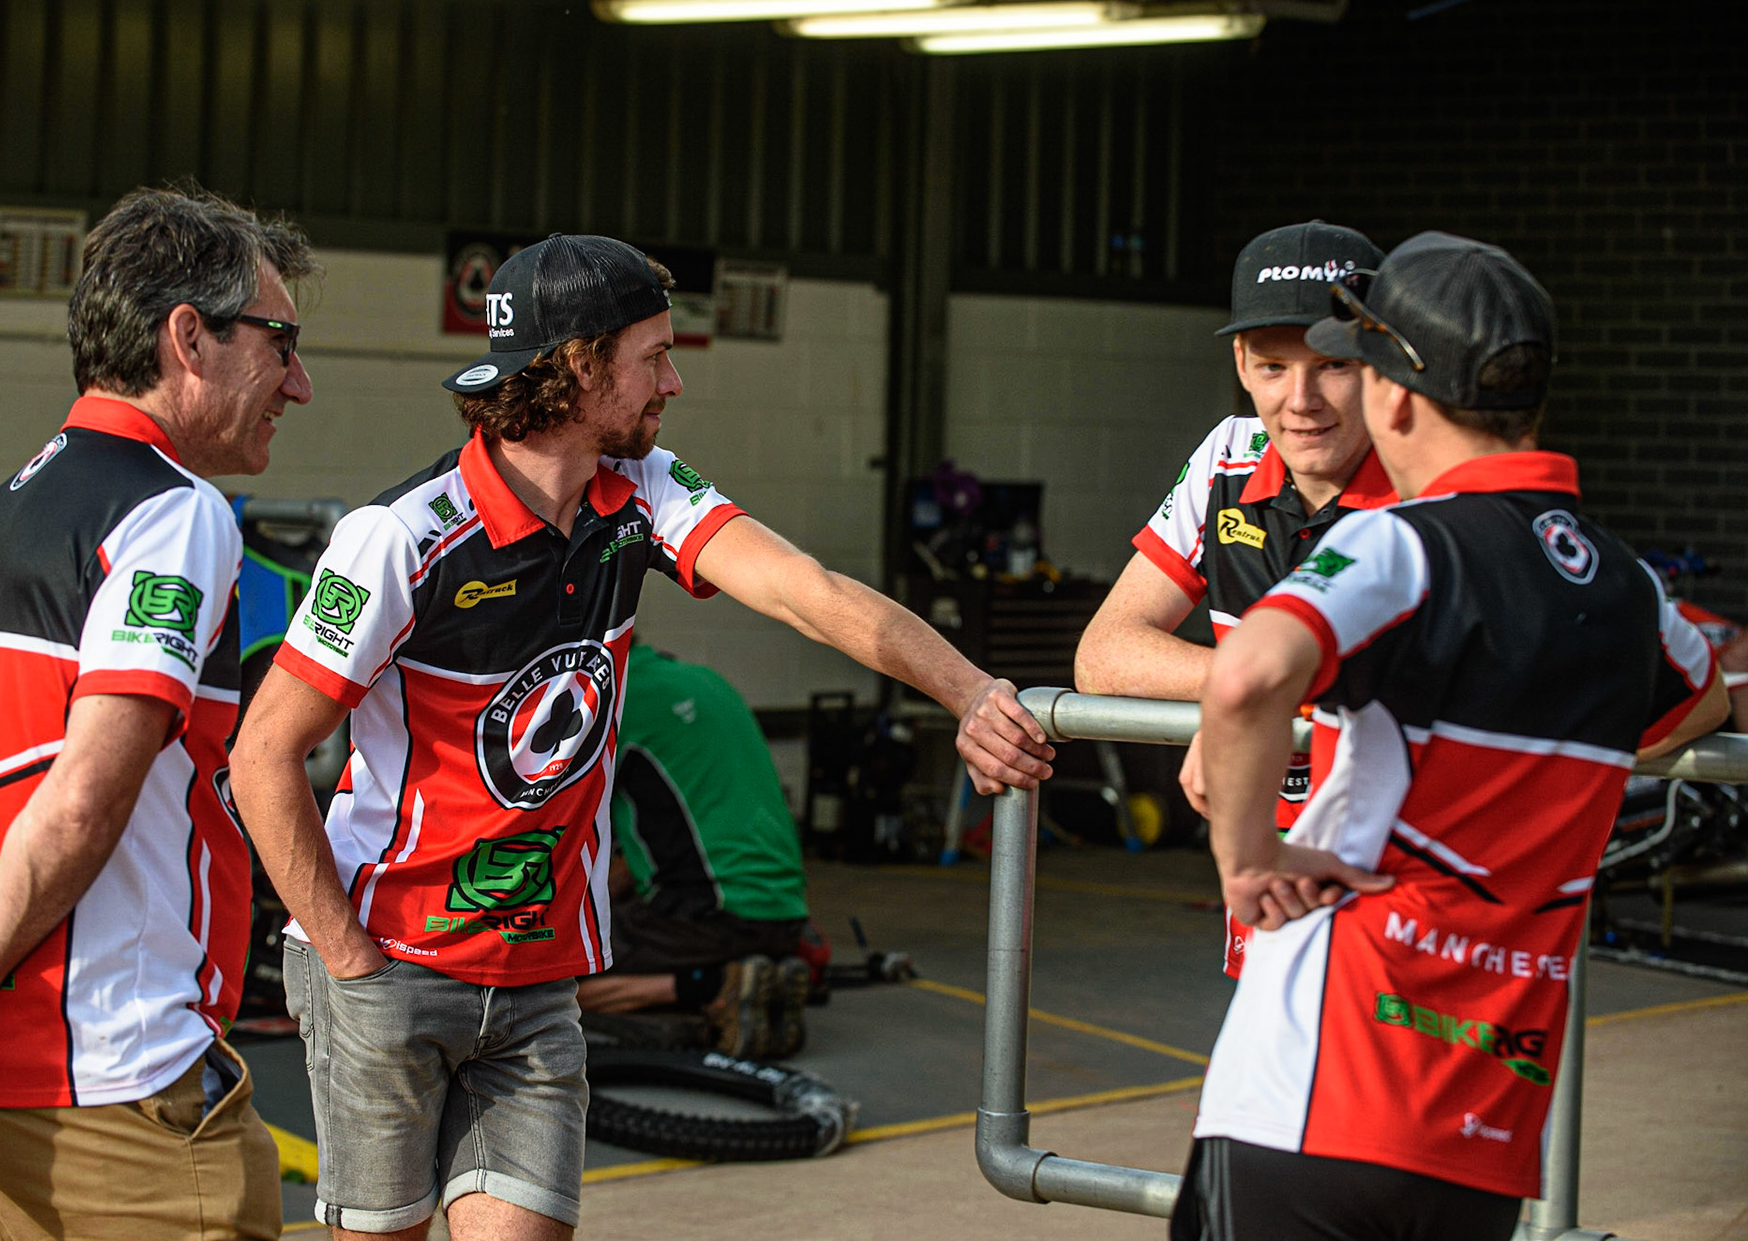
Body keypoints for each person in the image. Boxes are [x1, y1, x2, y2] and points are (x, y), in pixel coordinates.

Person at [229, 233, 1053, 1241]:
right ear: (578, 365)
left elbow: (807, 591)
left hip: (536, 978)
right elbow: (262, 752)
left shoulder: (643, 489)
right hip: (391, 965)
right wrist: (352, 963)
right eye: (654, 356)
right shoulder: (402, 536)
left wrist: (969, 691)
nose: (673, 381)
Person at [1173, 231, 1730, 1240]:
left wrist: (1247, 857)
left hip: (1314, 1080)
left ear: (1392, 397)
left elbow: (1248, 673)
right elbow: (1698, 705)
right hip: (1488, 1115)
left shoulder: (1396, 543)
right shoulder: (1626, 584)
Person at [0, 185, 319, 1239]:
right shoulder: (173, 510)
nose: (301, 382)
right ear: (188, 337)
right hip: (109, 1076)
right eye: (280, 342)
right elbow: (82, 800)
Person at [1073, 219, 1394, 976]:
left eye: (1333, 365)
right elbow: (1105, 654)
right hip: (1267, 869)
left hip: (1403, 874)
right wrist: (1243, 695)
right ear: (1242, 362)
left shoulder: (1432, 483)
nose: (1302, 400)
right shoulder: (1230, 454)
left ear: (1381, 360)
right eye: (1275, 366)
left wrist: (1254, 700)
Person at [574, 640, 812, 1060]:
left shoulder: (605, 700)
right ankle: (753, 979)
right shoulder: (704, 680)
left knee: (548, 981)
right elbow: (650, 854)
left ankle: (714, 985)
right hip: (784, 912)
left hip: (712, 916)